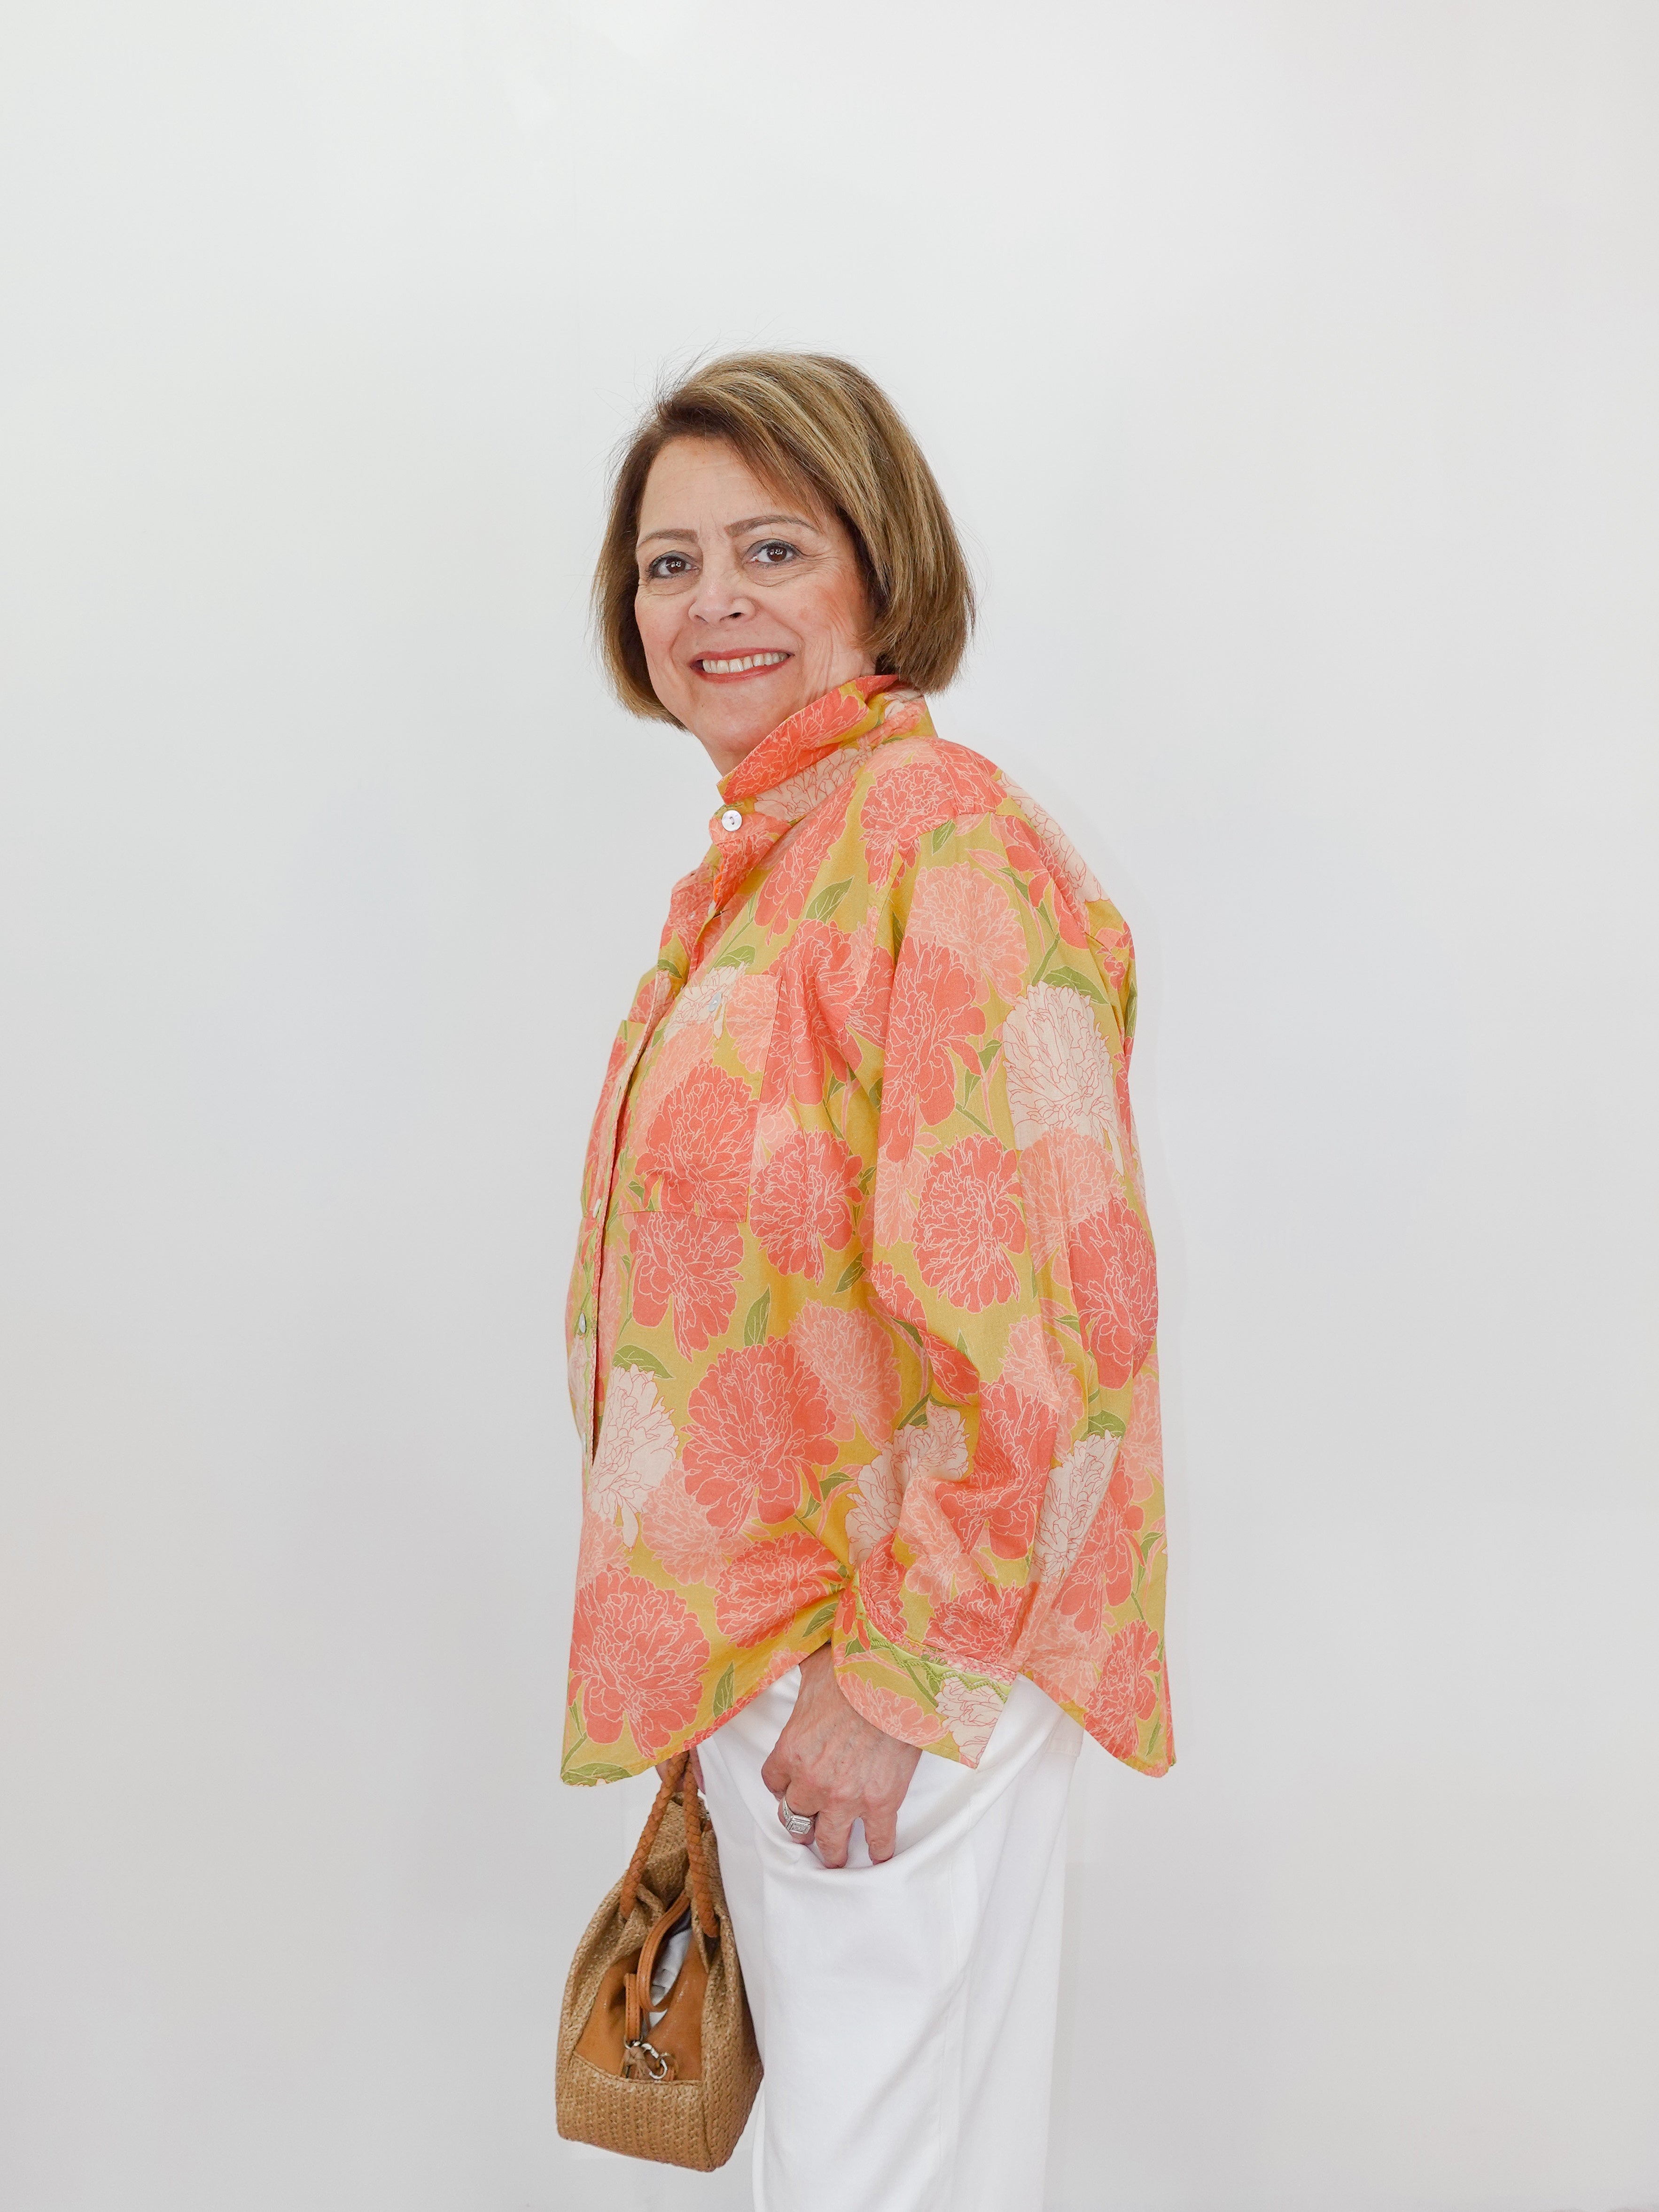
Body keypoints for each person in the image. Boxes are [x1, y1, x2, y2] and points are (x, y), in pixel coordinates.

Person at [562, 351, 1171, 2212]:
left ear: (877, 571)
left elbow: (1054, 1318)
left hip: (886, 1651)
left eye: (771, 548)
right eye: (670, 564)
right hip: (792, 1652)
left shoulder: (938, 843)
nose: (712, 603)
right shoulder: (782, 860)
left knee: (870, 2185)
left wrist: (895, 1678)